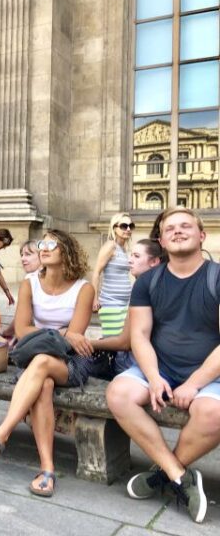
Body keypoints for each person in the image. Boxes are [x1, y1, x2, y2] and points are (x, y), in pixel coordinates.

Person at [106, 208, 220, 524]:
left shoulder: (216, 277)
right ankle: (178, 474)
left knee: (214, 413)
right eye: (170, 229)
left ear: (202, 236)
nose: (178, 231)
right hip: (161, 367)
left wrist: (194, 383)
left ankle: (160, 475)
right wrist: (154, 377)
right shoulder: (148, 281)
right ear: (162, 241)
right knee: (118, 393)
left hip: (210, 372)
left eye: (186, 226)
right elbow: (139, 336)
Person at [0, 229, 94, 497]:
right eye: (41, 244)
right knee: (44, 385)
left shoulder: (84, 288)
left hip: (71, 362)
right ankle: (47, 469)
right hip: (35, 359)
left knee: (42, 363)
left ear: (67, 251)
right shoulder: (29, 283)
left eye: (52, 244)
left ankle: (1, 434)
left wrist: (59, 335)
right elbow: (22, 330)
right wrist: (61, 332)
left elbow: (75, 340)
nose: (44, 249)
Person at [90, 239, 164, 376]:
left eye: (136, 256)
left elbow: (124, 343)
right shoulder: (159, 283)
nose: (129, 260)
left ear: (154, 261)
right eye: (131, 255)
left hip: (134, 363)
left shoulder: (145, 289)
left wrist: (89, 344)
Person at [91, 213, 134, 338]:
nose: (128, 229)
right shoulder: (111, 246)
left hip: (124, 303)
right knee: (113, 340)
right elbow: (96, 272)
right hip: (111, 302)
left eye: (131, 226)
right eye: (124, 226)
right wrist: (95, 299)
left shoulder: (124, 249)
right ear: (114, 228)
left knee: (122, 340)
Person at [2, 240, 41, 340]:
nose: (23, 258)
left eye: (28, 254)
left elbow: (20, 320)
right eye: (22, 255)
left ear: (42, 255)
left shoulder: (31, 279)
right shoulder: (32, 277)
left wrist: (6, 333)